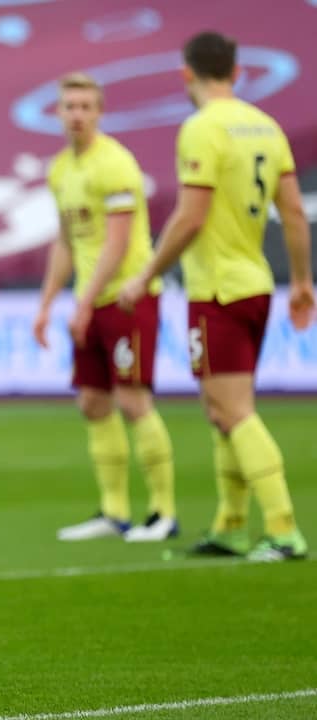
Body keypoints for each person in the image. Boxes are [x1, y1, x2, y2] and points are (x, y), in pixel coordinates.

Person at [119, 31, 314, 561]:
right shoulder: (267, 127)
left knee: (234, 410)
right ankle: (230, 524)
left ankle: (283, 529)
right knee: (219, 410)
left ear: (187, 73)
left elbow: (190, 215)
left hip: (218, 291)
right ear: (237, 70)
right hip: (255, 284)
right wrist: (301, 281)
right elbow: (294, 213)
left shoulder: (202, 128)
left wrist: (146, 273)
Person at [34, 72, 178, 543]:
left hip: (125, 298)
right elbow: (65, 241)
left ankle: (162, 513)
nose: (76, 114)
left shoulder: (115, 164)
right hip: (90, 302)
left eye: (84, 107)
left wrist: (88, 301)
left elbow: (116, 245)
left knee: (134, 400)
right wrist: (47, 302)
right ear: (58, 112)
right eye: (69, 106)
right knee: (93, 402)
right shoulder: (61, 170)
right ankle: (114, 512)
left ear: (99, 112)